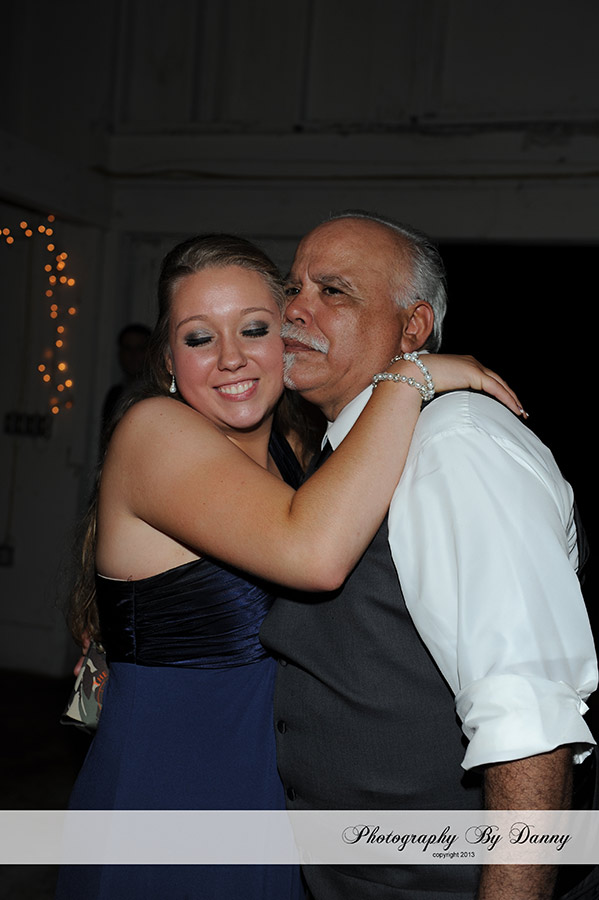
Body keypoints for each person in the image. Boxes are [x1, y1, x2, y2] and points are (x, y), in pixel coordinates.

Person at [56, 233, 519, 900]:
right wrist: (408, 376)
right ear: (168, 359)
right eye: (198, 338)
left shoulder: (297, 449)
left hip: (273, 793)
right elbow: (314, 557)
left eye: (254, 328)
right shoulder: (152, 431)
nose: (231, 357)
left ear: (289, 340)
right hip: (172, 787)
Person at [260, 211, 598, 900]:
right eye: (292, 287)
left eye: (333, 291)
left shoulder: (454, 441)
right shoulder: (348, 455)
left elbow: (528, 719)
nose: (293, 309)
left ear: (413, 328)